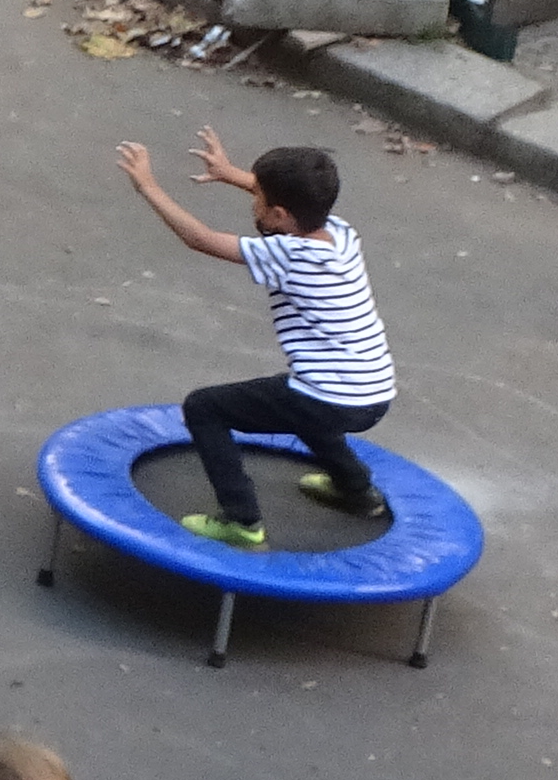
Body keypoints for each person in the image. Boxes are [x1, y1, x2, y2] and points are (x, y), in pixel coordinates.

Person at [113, 129, 395, 544]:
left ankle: (241, 520)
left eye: (257, 197)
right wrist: (230, 174)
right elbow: (290, 201)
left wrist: (148, 186)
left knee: (205, 408)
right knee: (302, 403)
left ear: (280, 215)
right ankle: (356, 490)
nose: (253, 202)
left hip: (331, 396)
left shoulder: (288, 254)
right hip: (373, 392)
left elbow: (199, 239)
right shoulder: (339, 232)